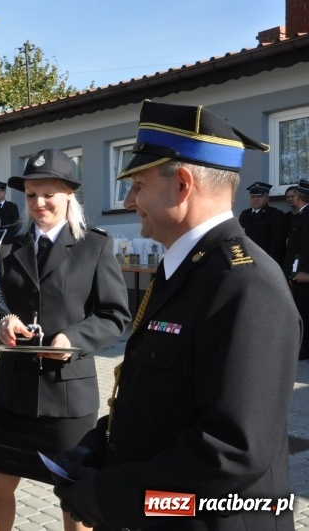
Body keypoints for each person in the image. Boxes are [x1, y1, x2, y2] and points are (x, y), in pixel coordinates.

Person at [53, 100, 300, 530]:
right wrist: (96, 448)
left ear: (183, 184)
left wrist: (113, 498)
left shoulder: (245, 284)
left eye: (138, 185)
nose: (129, 201)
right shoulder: (187, 268)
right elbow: (161, 402)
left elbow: (232, 451)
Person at [0, 149, 130, 531]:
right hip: (12, 391)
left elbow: (115, 315)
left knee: (75, 500)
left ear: (68, 195)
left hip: (67, 397)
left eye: (48, 194)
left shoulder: (94, 245)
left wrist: (73, 338)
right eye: (30, 195)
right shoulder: (3, 244)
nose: (38, 203)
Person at [284, 180, 309, 360]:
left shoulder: (307, 215)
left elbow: (307, 245)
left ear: (298, 197)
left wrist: (305, 270)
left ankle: (305, 349)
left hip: (303, 274)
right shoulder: (301, 215)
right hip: (296, 270)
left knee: (305, 312)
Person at [238, 181, 286, 263]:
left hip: (265, 259)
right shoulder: (244, 214)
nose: (256, 199)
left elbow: (277, 243)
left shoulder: (275, 214)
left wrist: (271, 262)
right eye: (253, 196)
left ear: (267, 198)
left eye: (259, 196)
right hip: (247, 259)